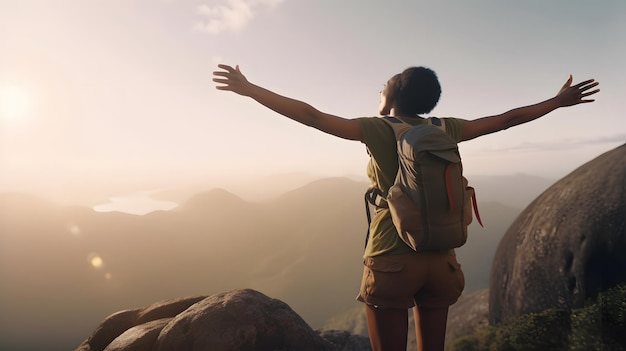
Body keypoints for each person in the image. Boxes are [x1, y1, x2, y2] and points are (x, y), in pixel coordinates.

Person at [212, 64, 599, 351]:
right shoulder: (446, 126)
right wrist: (557, 102)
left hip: (391, 258)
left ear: (393, 94)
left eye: (382, 88)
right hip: (442, 259)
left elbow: (312, 116)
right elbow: (506, 120)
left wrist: (250, 89)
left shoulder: (375, 128)